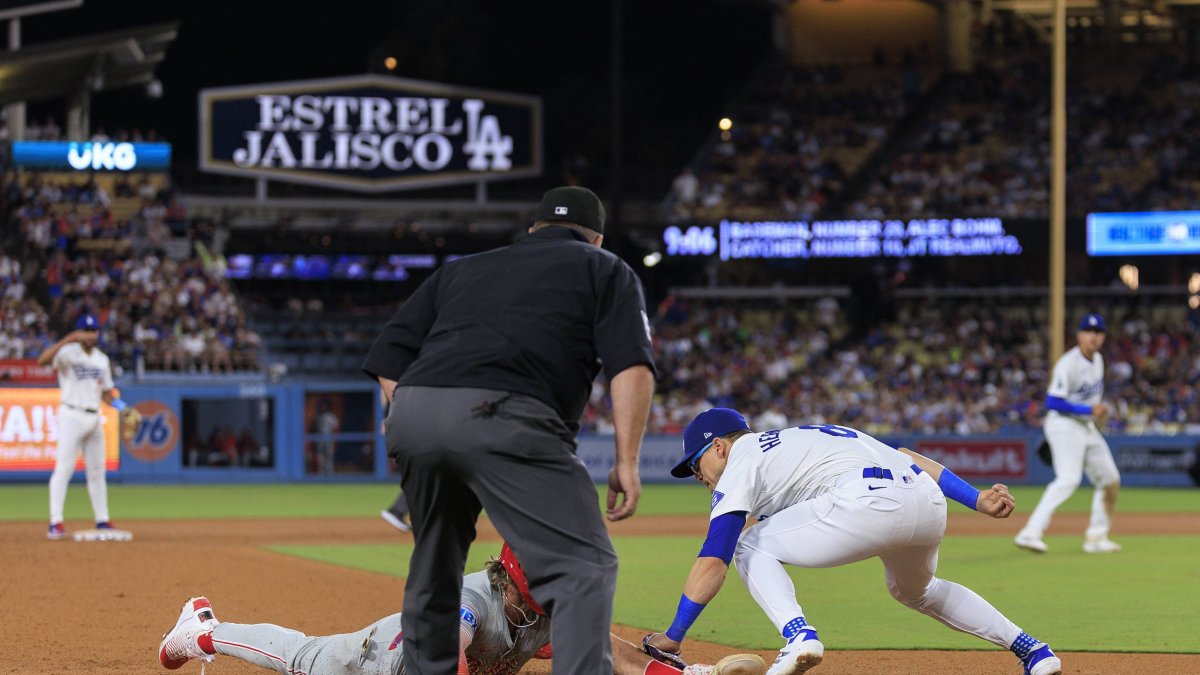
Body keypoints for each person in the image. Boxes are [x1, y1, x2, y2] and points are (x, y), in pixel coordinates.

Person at [362, 185, 656, 675]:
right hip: (509, 413)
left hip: (415, 409)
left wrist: (415, 418)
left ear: (532, 230)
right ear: (597, 238)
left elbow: (387, 356)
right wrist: (627, 460)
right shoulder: (604, 268)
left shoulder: (463, 268)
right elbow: (633, 367)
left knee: (435, 566)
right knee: (583, 567)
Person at [645, 408, 1062, 675]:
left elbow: (713, 558)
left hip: (868, 503)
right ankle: (1034, 652)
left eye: (695, 464)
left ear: (718, 446)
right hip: (927, 502)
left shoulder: (741, 460)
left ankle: (798, 636)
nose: (697, 476)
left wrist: (674, 636)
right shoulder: (806, 437)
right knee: (916, 589)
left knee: (745, 543)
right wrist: (976, 498)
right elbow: (907, 454)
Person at [157, 543, 763, 675]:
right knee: (305, 656)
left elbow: (613, 654)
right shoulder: (471, 602)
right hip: (389, 659)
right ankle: (203, 631)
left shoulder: (550, 606)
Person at [1015, 312, 1121, 554]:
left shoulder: (1098, 361)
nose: (1093, 337)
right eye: (1089, 332)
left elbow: (1090, 402)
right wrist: (1088, 409)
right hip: (1063, 424)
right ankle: (1030, 533)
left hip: (1086, 426)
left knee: (1110, 479)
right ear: (1079, 335)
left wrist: (1095, 412)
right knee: (1068, 479)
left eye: (1098, 332)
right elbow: (1052, 401)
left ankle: (1096, 537)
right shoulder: (1068, 363)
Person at [38, 313, 130, 539]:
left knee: (98, 471)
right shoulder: (68, 354)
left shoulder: (101, 359)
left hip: (93, 415)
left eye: (93, 331)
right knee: (64, 469)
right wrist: (66, 340)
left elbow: (107, 393)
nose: (90, 335)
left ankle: (102, 519)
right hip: (71, 414)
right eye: (86, 330)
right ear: (78, 332)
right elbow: (42, 360)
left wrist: (122, 407)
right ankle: (55, 522)